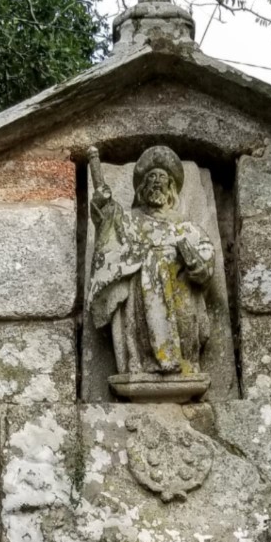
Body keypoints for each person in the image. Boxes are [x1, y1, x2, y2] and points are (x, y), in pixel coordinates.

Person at [87, 144, 215, 387]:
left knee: (169, 270)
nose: (157, 182)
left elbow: (206, 262)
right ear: (143, 188)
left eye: (162, 178)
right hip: (140, 298)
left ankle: (184, 361)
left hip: (180, 294)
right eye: (151, 178)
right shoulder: (130, 222)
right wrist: (104, 205)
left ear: (171, 189)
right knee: (149, 265)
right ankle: (141, 363)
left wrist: (195, 263)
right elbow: (110, 230)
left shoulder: (186, 228)